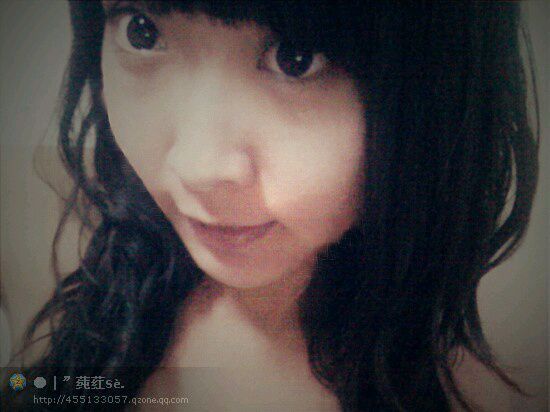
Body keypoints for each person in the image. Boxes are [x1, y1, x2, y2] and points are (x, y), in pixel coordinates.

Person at [3, 1, 539, 410]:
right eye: (142, 32)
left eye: (295, 58)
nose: (197, 168)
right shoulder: (55, 250)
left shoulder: (483, 391)